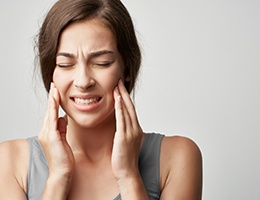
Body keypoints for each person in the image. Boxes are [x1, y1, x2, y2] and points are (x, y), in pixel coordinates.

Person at [0, 0, 202, 199]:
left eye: (102, 63)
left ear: (127, 69)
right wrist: (58, 178)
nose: (83, 81)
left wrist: (129, 176)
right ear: (50, 73)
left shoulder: (177, 157)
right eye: (64, 64)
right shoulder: (10, 161)